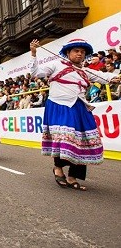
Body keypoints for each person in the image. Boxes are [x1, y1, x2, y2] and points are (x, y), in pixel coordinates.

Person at [30, 38, 119, 190]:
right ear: (68, 53)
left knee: (82, 139)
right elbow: (36, 72)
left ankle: (72, 176)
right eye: (76, 51)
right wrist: (33, 53)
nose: (80, 54)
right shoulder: (57, 65)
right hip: (59, 105)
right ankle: (58, 168)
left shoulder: (84, 70)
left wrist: (115, 77)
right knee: (64, 138)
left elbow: (103, 77)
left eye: (82, 52)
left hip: (79, 106)